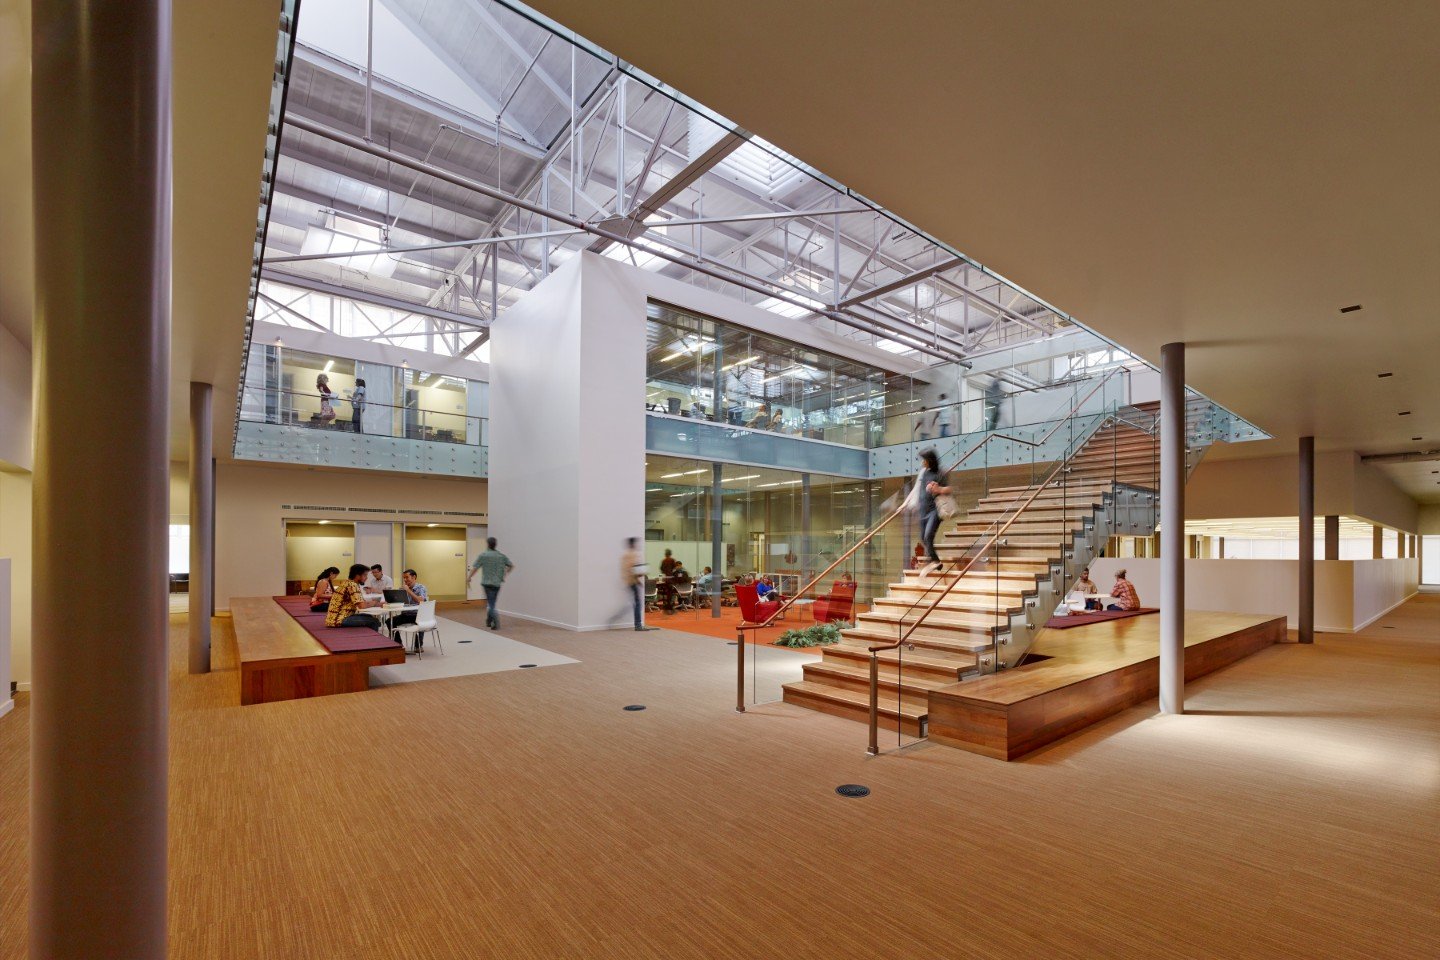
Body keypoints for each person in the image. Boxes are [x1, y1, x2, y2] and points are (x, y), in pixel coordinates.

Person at [915, 448, 951, 573]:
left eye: (924, 460)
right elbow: (919, 491)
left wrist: (938, 489)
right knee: (923, 537)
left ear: (930, 460)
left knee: (928, 535)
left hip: (934, 510)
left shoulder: (940, 472)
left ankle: (935, 561)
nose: (922, 462)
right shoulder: (924, 473)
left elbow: (949, 489)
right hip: (923, 510)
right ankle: (935, 562)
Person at [468, 536, 514, 630]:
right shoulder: (501, 556)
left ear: (488, 544)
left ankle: (495, 621)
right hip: (497, 583)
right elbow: (511, 566)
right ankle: (489, 620)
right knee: (492, 602)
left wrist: (469, 577)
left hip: (487, 583)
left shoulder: (483, 555)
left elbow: (475, 568)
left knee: (491, 603)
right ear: (495, 545)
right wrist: (504, 574)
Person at [326, 563, 382, 630]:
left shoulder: (347, 582)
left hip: (334, 618)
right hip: (339, 619)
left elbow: (362, 602)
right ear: (357, 575)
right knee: (374, 621)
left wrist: (380, 604)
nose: (366, 578)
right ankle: (370, 637)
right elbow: (362, 606)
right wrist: (375, 603)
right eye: (365, 575)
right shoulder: (352, 585)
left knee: (370, 617)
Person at [621, 537, 647, 630]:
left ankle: (637, 624)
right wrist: (638, 579)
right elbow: (633, 569)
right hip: (633, 581)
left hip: (628, 581)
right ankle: (638, 625)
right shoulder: (632, 555)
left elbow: (626, 570)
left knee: (636, 603)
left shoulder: (625, 555)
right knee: (638, 603)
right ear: (633, 544)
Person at [392, 568, 429, 634]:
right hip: (405, 615)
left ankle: (418, 641)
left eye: (407, 577)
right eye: (404, 578)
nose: (405, 580)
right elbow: (397, 602)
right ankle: (398, 640)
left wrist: (408, 590)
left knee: (420, 625)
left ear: (414, 577)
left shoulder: (421, 588)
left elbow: (420, 601)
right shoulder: (402, 589)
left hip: (418, 615)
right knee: (390, 621)